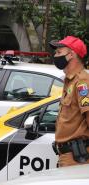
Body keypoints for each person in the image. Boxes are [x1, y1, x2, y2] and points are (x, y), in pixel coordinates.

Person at [49, 36, 89, 167]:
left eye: (59, 52)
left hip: (77, 157)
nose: (55, 55)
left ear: (71, 54)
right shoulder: (70, 81)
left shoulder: (82, 82)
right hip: (68, 155)